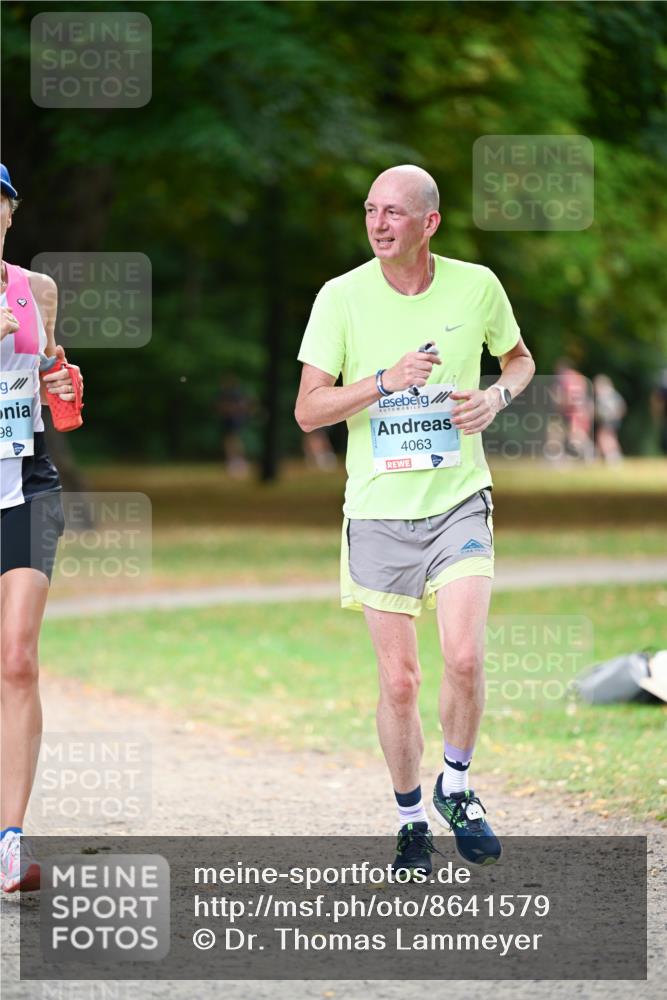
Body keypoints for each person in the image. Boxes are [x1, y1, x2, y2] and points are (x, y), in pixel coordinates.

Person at [295, 165, 534, 875]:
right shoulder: (340, 297)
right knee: (398, 681)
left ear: (428, 223)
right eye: (369, 210)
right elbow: (308, 409)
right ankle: (408, 820)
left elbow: (518, 361)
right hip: (375, 512)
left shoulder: (476, 286)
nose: (376, 224)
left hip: (458, 498)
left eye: (393, 212)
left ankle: (455, 786)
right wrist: (382, 383)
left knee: (463, 657)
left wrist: (495, 400)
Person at [0, 164, 82, 892]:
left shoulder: (36, 290)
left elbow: (51, 372)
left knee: (18, 659)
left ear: (10, 213)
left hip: (26, 484)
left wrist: (60, 377)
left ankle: (9, 841)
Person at [593, 374, 626, 463]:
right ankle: (613, 455)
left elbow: (620, 407)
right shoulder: (613, 394)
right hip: (612, 420)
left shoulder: (605, 395)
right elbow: (622, 407)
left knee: (604, 437)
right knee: (610, 437)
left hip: (609, 421)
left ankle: (612, 455)